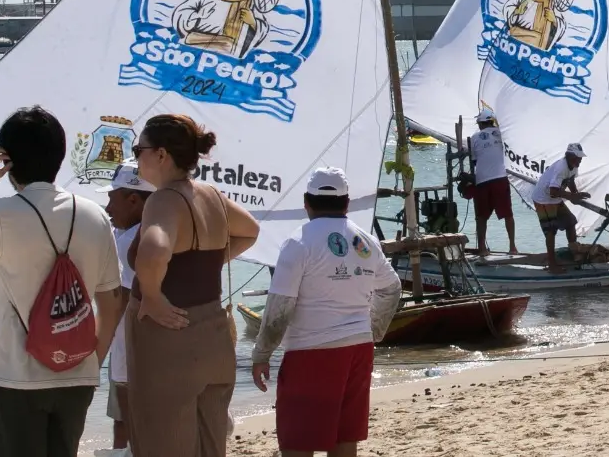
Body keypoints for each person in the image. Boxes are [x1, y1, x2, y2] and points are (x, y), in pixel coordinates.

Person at [0, 107, 122, 457]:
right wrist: (92, 359)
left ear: (8, 161)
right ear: (61, 155)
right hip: (77, 375)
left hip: (14, 375)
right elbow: (110, 302)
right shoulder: (95, 216)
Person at [126, 113, 261, 457]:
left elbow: (154, 249)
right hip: (212, 333)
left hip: (169, 339)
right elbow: (249, 230)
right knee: (210, 445)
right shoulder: (211, 194)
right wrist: (211, 261)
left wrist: (153, 295)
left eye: (137, 148)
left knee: (161, 441)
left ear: (160, 155)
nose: (135, 155)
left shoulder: (164, 199)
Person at [251, 168, 402, 457]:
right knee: (344, 440)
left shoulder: (298, 242)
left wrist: (261, 354)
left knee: (297, 443)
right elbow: (391, 288)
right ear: (347, 203)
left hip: (312, 351)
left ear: (306, 202)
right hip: (359, 348)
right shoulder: (365, 242)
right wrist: (374, 330)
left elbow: (279, 308)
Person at [104, 164, 153, 451]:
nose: (108, 206)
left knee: (128, 422)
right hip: (155, 352)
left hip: (128, 353)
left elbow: (119, 301)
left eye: (113, 198)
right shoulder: (161, 232)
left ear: (133, 200)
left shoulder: (126, 241)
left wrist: (94, 350)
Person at [531, 143, 590, 272]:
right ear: (569, 156)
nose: (580, 160)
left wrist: (575, 194)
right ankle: (552, 265)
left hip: (555, 198)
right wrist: (571, 197)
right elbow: (553, 191)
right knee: (551, 231)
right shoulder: (560, 168)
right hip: (543, 200)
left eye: (580, 157)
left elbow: (570, 180)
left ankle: (574, 253)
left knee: (570, 222)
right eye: (577, 157)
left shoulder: (574, 166)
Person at [467, 111, 518, 256]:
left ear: (481, 123)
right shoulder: (503, 134)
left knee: (481, 217)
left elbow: (474, 161)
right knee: (508, 214)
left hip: (482, 180)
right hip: (501, 178)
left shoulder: (475, 137)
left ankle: (482, 248)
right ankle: (513, 247)